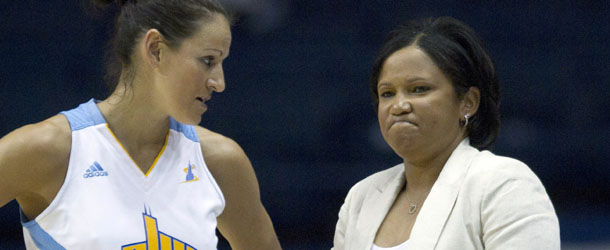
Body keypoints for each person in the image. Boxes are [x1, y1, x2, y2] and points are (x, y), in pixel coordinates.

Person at [0, 0, 282, 249]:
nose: (219, 83)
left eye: (221, 63)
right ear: (156, 49)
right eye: (208, 60)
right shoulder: (46, 149)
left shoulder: (220, 162)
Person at [332, 17, 560, 250]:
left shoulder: (504, 185)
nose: (399, 105)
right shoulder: (361, 197)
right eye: (387, 93)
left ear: (468, 102)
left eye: (419, 89)